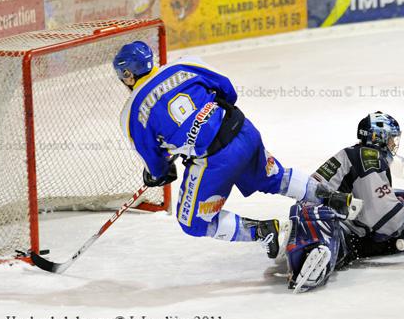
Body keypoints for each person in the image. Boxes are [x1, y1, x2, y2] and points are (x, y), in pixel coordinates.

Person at [113, 41, 340, 259]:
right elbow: (228, 90)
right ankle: (335, 199)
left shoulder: (131, 114)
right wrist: (207, 120)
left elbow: (156, 164)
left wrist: (161, 172)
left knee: (192, 222)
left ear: (128, 75)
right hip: (243, 131)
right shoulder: (183, 65)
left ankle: (262, 231)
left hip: (216, 161)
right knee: (275, 177)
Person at [286, 111, 404, 293]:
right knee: (346, 243)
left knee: (393, 206)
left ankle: (302, 244)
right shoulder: (368, 156)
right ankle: (313, 250)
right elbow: (380, 213)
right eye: (392, 139)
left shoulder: (355, 153)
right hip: (321, 219)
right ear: (379, 137)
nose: (394, 144)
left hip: (313, 213)